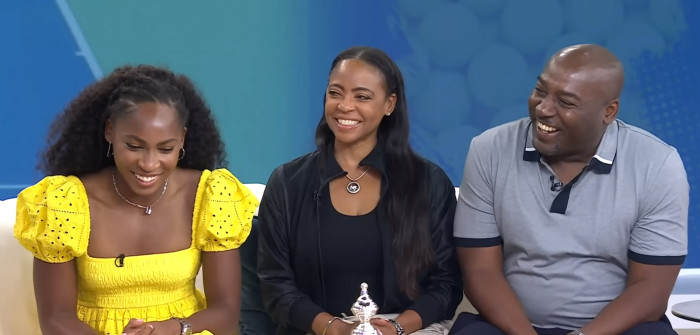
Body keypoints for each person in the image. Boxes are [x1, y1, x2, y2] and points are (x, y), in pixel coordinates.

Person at [449, 44, 689, 335]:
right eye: (540, 90)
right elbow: (480, 272)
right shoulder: (489, 150)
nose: (543, 108)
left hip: (614, 330)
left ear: (609, 112)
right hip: (510, 327)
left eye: (566, 102)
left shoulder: (657, 164)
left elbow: (650, 290)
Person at [13, 65, 259, 335]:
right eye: (134, 146)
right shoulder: (64, 203)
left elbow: (225, 314)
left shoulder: (212, 195)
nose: (149, 163)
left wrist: (174, 328)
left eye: (165, 149)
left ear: (182, 139)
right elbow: (56, 319)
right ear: (110, 132)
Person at [254, 46, 463, 335]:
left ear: (390, 104)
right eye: (335, 93)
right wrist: (334, 328)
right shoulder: (287, 183)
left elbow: (446, 284)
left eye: (362, 96)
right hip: (317, 329)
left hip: (406, 329)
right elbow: (276, 285)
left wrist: (395, 328)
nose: (344, 106)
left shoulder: (428, 182)